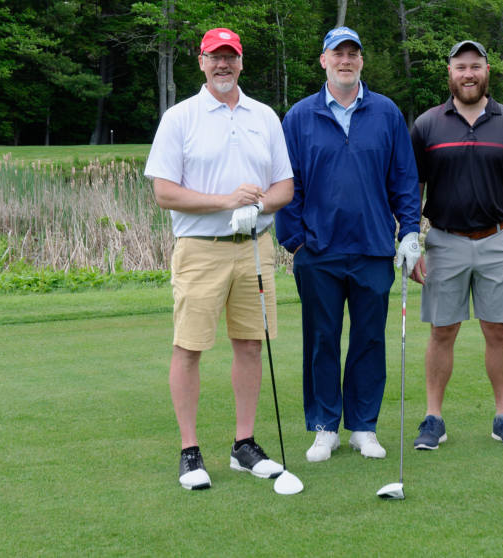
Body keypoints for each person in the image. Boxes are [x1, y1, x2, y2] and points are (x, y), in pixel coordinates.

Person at [144, 27, 295, 490]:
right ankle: (190, 452)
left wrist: (256, 206)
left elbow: (284, 187)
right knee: (189, 347)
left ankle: (243, 446)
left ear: (241, 63)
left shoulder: (265, 116)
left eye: (231, 57)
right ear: (202, 62)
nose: (223, 64)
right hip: (200, 250)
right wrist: (226, 202)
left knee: (251, 344)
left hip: (254, 248)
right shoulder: (180, 117)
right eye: (215, 57)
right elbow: (164, 192)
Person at [277, 26, 422, 463]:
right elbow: (287, 184)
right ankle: (324, 427)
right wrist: (296, 242)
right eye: (337, 53)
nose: (345, 60)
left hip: (374, 249)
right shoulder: (299, 117)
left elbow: (404, 180)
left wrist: (410, 232)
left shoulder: (386, 112)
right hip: (317, 253)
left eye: (353, 54)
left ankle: (362, 426)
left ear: (361, 61)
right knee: (321, 340)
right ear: (323, 60)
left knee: (368, 341)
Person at [408, 39, 503, 451]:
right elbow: (413, 187)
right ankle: (433, 418)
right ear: (449, 72)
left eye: (476, 66)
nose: (469, 74)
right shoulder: (427, 125)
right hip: (444, 241)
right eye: (461, 67)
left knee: (498, 330)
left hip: (498, 238)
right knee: (442, 331)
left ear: (487, 71)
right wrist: (410, 238)